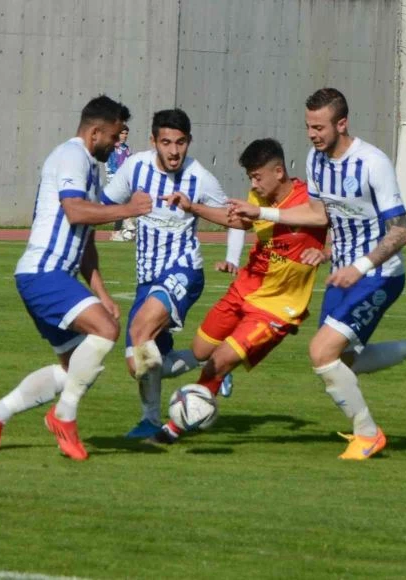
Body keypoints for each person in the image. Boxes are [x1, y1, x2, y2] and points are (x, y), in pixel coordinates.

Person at [229, 88, 406, 460]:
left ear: (342, 123)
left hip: (380, 275)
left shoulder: (372, 163)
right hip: (342, 274)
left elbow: (400, 231)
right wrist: (263, 214)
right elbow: (319, 214)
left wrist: (359, 267)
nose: (313, 134)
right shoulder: (316, 162)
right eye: (308, 127)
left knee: (321, 352)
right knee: (343, 362)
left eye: (319, 126)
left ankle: (368, 434)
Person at [0, 96, 152, 461]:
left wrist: (101, 292)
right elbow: (74, 212)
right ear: (95, 131)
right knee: (106, 332)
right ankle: (63, 418)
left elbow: (85, 240)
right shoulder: (71, 156)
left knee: (74, 369)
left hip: (48, 275)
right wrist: (129, 210)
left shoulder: (89, 166)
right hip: (44, 273)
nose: (117, 144)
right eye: (114, 137)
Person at [151, 138, 327, 443]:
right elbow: (237, 221)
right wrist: (192, 207)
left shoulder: (309, 200)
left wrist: (328, 253)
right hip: (245, 287)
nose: (254, 184)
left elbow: (334, 222)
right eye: (250, 178)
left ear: (279, 171)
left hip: (277, 307)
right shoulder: (257, 198)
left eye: (257, 177)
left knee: (218, 361)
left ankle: (175, 427)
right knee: (200, 351)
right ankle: (218, 367)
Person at [103, 109, 231, 438]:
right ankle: (211, 361)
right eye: (166, 142)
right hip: (148, 278)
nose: (174, 151)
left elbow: (235, 218)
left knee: (141, 328)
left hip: (183, 270)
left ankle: (150, 420)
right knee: (141, 364)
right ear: (153, 142)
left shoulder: (199, 177)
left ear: (189, 142)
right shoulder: (136, 167)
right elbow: (104, 205)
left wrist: (231, 256)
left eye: (181, 142)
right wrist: (127, 209)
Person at [107, 124, 136, 242]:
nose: (124, 136)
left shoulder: (126, 149)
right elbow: (113, 165)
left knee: (122, 204)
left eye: (126, 133)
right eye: (122, 133)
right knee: (122, 203)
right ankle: (127, 219)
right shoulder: (111, 147)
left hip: (124, 178)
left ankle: (116, 232)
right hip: (114, 178)